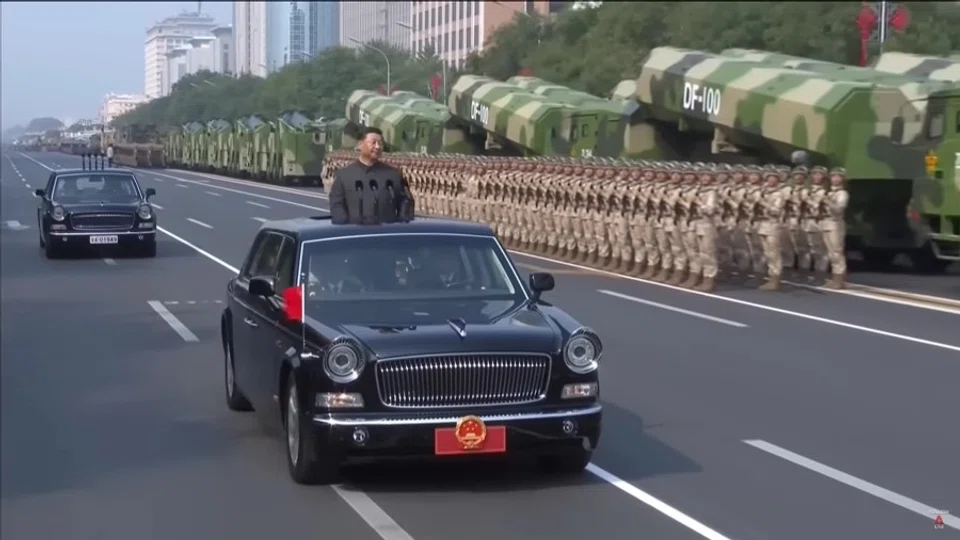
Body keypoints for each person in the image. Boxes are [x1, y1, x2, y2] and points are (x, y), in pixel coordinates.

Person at [329, 127, 414, 224]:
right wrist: (345, 227)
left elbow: (405, 203)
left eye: (380, 143)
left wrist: (401, 223)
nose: (377, 147)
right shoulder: (344, 175)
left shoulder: (393, 175)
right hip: (355, 234)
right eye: (373, 143)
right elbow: (337, 205)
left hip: (386, 233)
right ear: (360, 144)